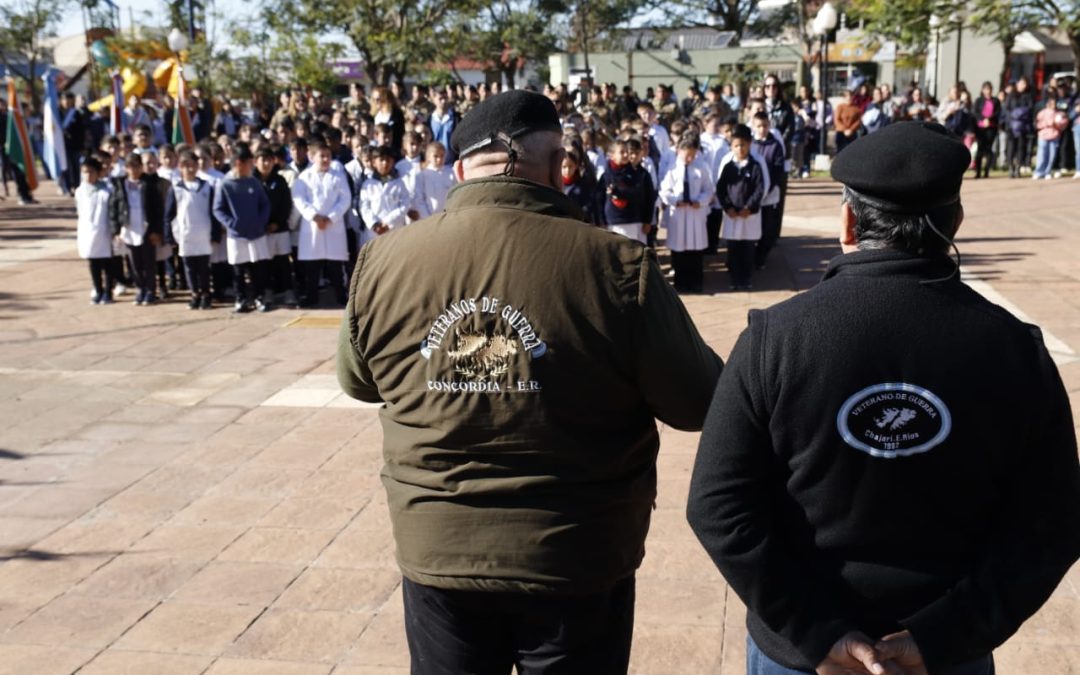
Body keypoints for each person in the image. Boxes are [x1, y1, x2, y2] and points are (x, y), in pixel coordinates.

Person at [337, 88, 723, 675]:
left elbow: (357, 381)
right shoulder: (617, 266)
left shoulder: (383, 261)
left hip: (440, 546)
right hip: (575, 553)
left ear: (460, 168)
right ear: (554, 165)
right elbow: (698, 400)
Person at [687, 121, 1080, 675]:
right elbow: (1054, 522)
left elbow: (717, 507)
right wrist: (946, 634)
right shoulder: (1014, 350)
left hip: (803, 654)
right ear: (956, 222)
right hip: (944, 654)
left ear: (848, 220)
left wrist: (814, 631)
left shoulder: (773, 339)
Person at [213, 143, 272, 313]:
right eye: (249, 163)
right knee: (239, 270)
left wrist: (261, 221)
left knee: (258, 269)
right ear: (239, 163)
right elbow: (218, 209)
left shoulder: (254, 182)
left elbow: (265, 204)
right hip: (237, 235)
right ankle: (241, 299)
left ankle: (260, 298)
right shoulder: (226, 184)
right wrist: (232, 223)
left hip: (257, 233)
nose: (252, 166)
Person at [292, 140, 351, 307]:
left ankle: (341, 297)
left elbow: (345, 199)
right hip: (313, 227)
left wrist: (331, 217)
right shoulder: (304, 177)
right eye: (322, 156)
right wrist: (314, 216)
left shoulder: (338, 176)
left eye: (328, 156)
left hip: (333, 225)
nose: (326, 159)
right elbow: (299, 199)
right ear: (312, 157)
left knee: (335, 267)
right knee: (312, 267)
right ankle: (311, 298)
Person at [659, 133, 713, 292]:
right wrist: (675, 200)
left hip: (695, 213)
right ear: (679, 151)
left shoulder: (701, 168)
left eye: (693, 155)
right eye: (687, 154)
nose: (690, 158)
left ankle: (696, 282)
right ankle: (681, 283)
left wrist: (700, 201)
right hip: (679, 214)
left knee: (695, 251)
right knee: (679, 250)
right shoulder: (672, 169)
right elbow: (664, 191)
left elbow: (709, 190)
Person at [109, 152, 165, 305]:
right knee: (134, 263)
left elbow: (157, 209)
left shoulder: (149, 184)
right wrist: (116, 230)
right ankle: (140, 289)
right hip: (129, 228)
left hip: (146, 228)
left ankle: (151, 291)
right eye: (130, 167)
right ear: (126, 168)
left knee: (148, 263)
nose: (134, 170)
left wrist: (156, 230)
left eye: (137, 166)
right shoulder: (120, 185)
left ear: (141, 167)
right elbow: (114, 208)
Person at [716, 124, 766, 291]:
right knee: (733, 249)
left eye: (743, 144)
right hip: (732, 215)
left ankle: (746, 278)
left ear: (750, 144)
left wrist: (749, 208)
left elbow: (761, 189)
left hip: (748, 215)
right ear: (731, 145)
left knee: (747, 248)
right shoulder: (728, 165)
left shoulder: (756, 164)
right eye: (736, 145)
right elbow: (721, 188)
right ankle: (734, 278)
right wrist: (728, 207)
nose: (740, 148)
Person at [168, 150, 217, 309]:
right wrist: (169, 237)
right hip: (185, 234)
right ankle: (194, 293)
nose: (190, 169)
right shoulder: (176, 188)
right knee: (189, 266)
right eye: (186, 166)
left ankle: (206, 293)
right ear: (180, 167)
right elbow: (168, 214)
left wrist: (215, 233)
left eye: (193, 165)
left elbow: (213, 211)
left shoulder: (206, 187)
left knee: (203, 266)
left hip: (203, 232)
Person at [596, 137, 655, 244]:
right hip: (612, 222)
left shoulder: (637, 174)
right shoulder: (605, 177)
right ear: (612, 155)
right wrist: (601, 221)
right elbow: (599, 200)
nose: (626, 155)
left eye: (626, 152)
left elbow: (642, 196)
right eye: (622, 152)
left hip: (634, 221)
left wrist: (647, 220)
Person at [75, 157, 115, 304]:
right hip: (87, 231)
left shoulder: (107, 190)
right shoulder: (80, 191)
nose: (88, 176)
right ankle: (97, 289)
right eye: (85, 172)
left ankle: (108, 291)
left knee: (107, 263)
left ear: (99, 173)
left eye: (91, 172)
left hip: (103, 230)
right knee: (93, 262)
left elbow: (111, 212)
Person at [1005, 77, 1034, 178]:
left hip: (1023, 127)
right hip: (1011, 126)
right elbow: (1007, 109)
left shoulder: (1029, 95)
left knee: (1021, 148)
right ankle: (1011, 167)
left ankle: (1018, 168)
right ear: (1017, 84)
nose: (1023, 85)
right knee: (1011, 148)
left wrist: (1020, 114)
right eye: (1022, 83)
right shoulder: (1010, 95)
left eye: (1025, 84)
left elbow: (1030, 109)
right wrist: (1014, 116)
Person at [973, 82, 1001, 179]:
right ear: (982, 90)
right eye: (985, 89)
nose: (987, 91)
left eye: (989, 89)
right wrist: (983, 119)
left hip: (991, 127)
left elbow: (997, 113)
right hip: (980, 128)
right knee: (980, 149)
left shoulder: (996, 101)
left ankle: (986, 172)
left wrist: (989, 119)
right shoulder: (978, 100)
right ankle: (978, 172)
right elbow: (975, 112)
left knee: (988, 149)